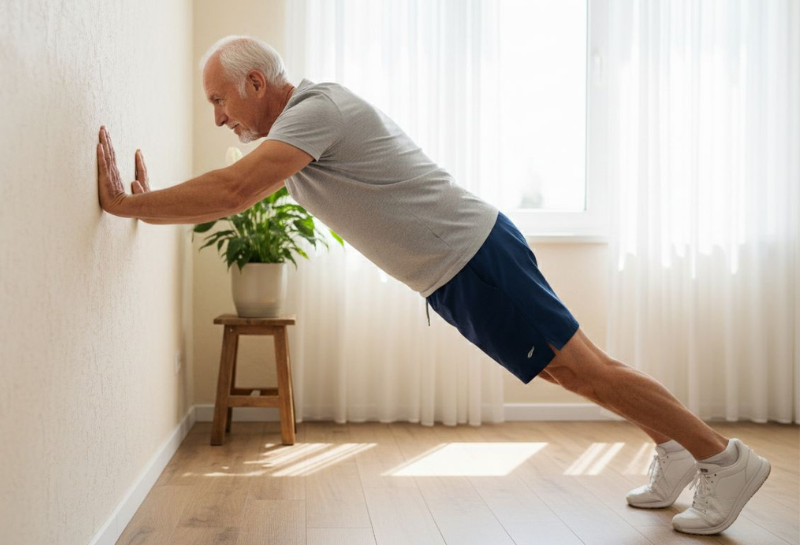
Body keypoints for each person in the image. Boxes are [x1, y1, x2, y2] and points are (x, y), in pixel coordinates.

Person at [96, 35, 771, 535]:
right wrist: (152, 202)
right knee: (575, 373)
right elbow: (235, 184)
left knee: (587, 369)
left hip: (472, 256)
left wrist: (131, 206)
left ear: (255, 82)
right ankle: (676, 449)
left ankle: (724, 457)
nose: (218, 117)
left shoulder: (316, 109)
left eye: (219, 99)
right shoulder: (300, 131)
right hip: (458, 269)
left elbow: (236, 191)